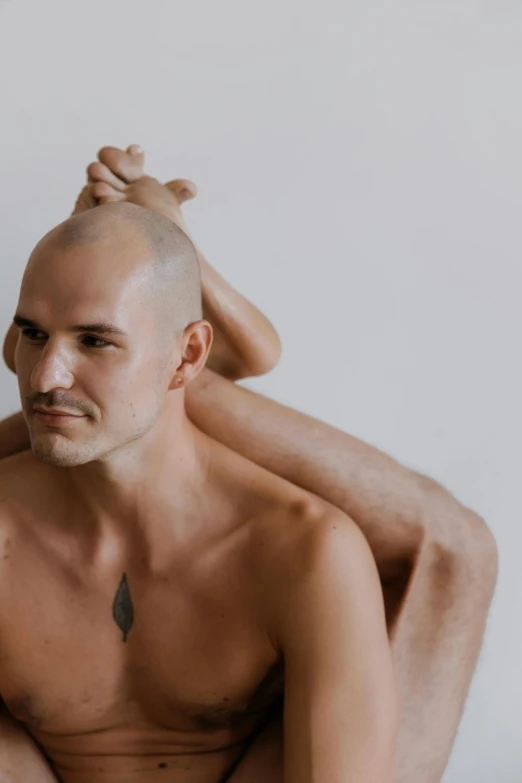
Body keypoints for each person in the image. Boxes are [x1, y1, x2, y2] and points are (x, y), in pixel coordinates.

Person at [0, 146, 498, 783]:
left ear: (188, 354)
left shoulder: (305, 548)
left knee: (456, 550)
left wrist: (171, 250)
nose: (44, 374)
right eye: (32, 333)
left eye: (96, 339)